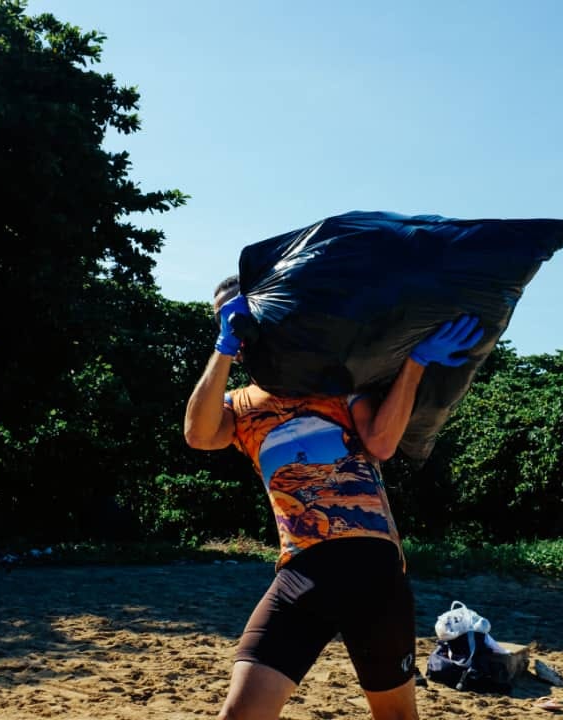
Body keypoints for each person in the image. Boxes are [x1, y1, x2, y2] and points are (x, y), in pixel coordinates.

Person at [184, 275, 483, 720]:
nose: (240, 326)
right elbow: (198, 435)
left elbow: (381, 444)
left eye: (245, 314)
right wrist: (224, 348)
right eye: (226, 319)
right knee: (239, 714)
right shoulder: (239, 406)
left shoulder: (339, 385)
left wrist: (417, 362)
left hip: (373, 571)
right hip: (300, 574)